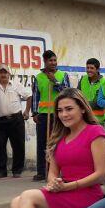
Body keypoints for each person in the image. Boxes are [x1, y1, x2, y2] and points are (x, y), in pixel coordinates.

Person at [0, 66, 31, 177]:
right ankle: (1, 171)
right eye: (1, 73)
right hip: (0, 120)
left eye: (5, 72)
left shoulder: (16, 85)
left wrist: (26, 111)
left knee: (18, 145)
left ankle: (17, 171)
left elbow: (29, 95)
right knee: (0, 146)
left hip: (16, 119)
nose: (3, 75)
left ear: (9, 74)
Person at [32, 50, 69, 181]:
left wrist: (55, 82)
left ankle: (59, 172)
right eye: (50, 61)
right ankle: (42, 171)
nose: (53, 63)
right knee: (42, 143)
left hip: (59, 114)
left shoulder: (62, 75)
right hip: (43, 114)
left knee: (58, 143)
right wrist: (34, 112)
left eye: (54, 60)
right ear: (45, 62)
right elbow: (36, 95)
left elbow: (67, 92)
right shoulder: (39, 77)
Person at [78, 59, 105, 125]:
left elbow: (98, 104)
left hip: (99, 121)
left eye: (92, 68)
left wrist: (82, 104)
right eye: (87, 68)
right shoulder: (83, 79)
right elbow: (77, 97)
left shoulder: (104, 82)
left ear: (98, 69)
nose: (89, 70)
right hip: (84, 119)